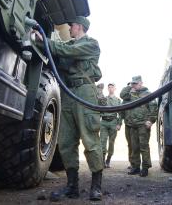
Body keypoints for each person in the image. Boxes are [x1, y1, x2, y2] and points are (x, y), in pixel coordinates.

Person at [45, 16, 104, 201]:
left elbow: (66, 50)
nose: (69, 29)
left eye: (71, 26)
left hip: (85, 92)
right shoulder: (68, 45)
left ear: (78, 26)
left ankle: (96, 187)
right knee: (66, 141)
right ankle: (72, 186)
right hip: (68, 92)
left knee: (90, 139)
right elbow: (57, 56)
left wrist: (45, 40)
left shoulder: (91, 44)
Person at [120, 75, 157, 177]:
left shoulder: (148, 94)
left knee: (143, 147)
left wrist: (151, 120)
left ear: (141, 83)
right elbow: (122, 95)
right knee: (134, 147)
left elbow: (153, 108)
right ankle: (135, 167)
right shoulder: (130, 95)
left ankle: (145, 168)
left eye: (135, 83)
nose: (134, 85)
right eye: (133, 83)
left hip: (143, 125)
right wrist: (129, 86)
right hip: (132, 125)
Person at [99, 83, 122, 168]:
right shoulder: (104, 99)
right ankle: (102, 161)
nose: (110, 88)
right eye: (109, 87)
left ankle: (108, 160)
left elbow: (121, 113)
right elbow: (99, 110)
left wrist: (119, 124)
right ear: (107, 89)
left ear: (115, 88)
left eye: (112, 87)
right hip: (104, 122)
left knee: (111, 143)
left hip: (113, 122)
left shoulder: (118, 100)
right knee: (102, 142)